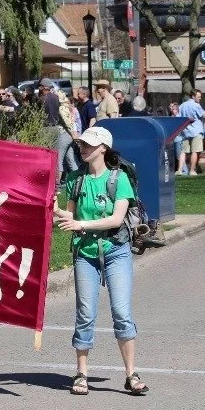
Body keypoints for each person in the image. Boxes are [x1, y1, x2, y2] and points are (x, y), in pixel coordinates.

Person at [53, 126, 148, 396]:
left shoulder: (119, 179)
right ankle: (82, 374)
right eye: (81, 144)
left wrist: (80, 224)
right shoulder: (75, 179)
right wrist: (55, 210)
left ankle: (131, 375)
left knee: (121, 313)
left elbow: (116, 220)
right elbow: (68, 216)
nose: (83, 148)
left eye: (89, 145)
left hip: (116, 248)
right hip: (85, 252)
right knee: (85, 313)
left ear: (103, 148)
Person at [178, 89, 205, 176]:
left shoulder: (182, 106)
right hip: (196, 130)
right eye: (198, 97)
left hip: (186, 131)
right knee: (195, 151)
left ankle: (179, 170)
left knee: (184, 152)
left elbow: (179, 117)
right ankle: (192, 170)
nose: (200, 98)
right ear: (193, 96)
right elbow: (204, 115)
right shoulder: (196, 105)